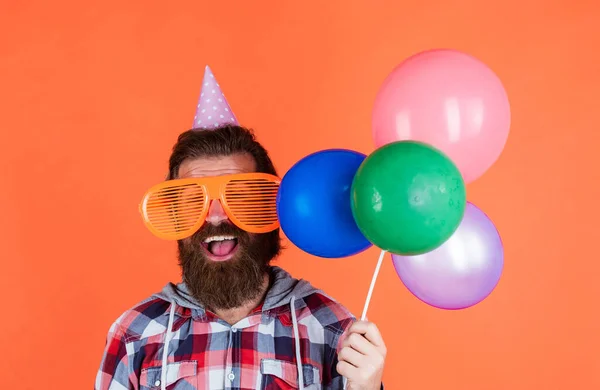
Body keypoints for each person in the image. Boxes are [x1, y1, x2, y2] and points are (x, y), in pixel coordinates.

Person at [95, 67, 386, 390]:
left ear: (273, 208)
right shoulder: (135, 334)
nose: (216, 216)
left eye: (240, 198)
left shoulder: (333, 331)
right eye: (193, 201)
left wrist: (367, 388)